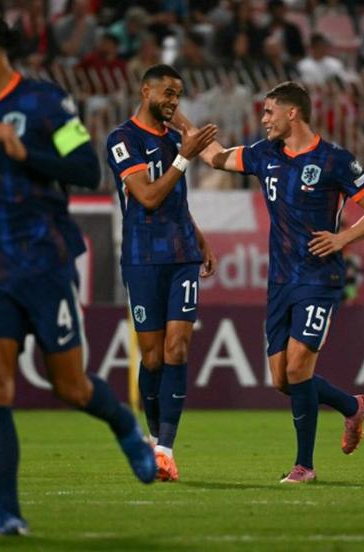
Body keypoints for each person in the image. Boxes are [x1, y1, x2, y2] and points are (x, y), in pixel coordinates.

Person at [0, 9, 157, 536]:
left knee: (71, 388)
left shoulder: (45, 103)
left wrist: (27, 151)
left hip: (43, 262)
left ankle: (124, 424)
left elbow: (87, 168)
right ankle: (9, 514)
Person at [173, 81, 364, 483]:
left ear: (293, 113)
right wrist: (180, 122)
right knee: (282, 380)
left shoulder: (334, 160)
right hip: (280, 281)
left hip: (319, 279)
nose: (264, 118)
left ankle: (304, 466)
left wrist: (341, 238)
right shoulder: (263, 154)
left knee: (298, 366)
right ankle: (351, 406)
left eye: (270, 111)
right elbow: (217, 157)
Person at [106, 64, 218, 482]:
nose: (173, 101)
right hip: (141, 257)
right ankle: (154, 441)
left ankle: (167, 450)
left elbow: (176, 202)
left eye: (179, 95)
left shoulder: (174, 139)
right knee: (152, 355)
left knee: (178, 348)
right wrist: (184, 157)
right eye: (167, 93)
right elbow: (149, 197)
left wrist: (199, 237)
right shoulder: (122, 139)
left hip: (181, 255)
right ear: (145, 90)